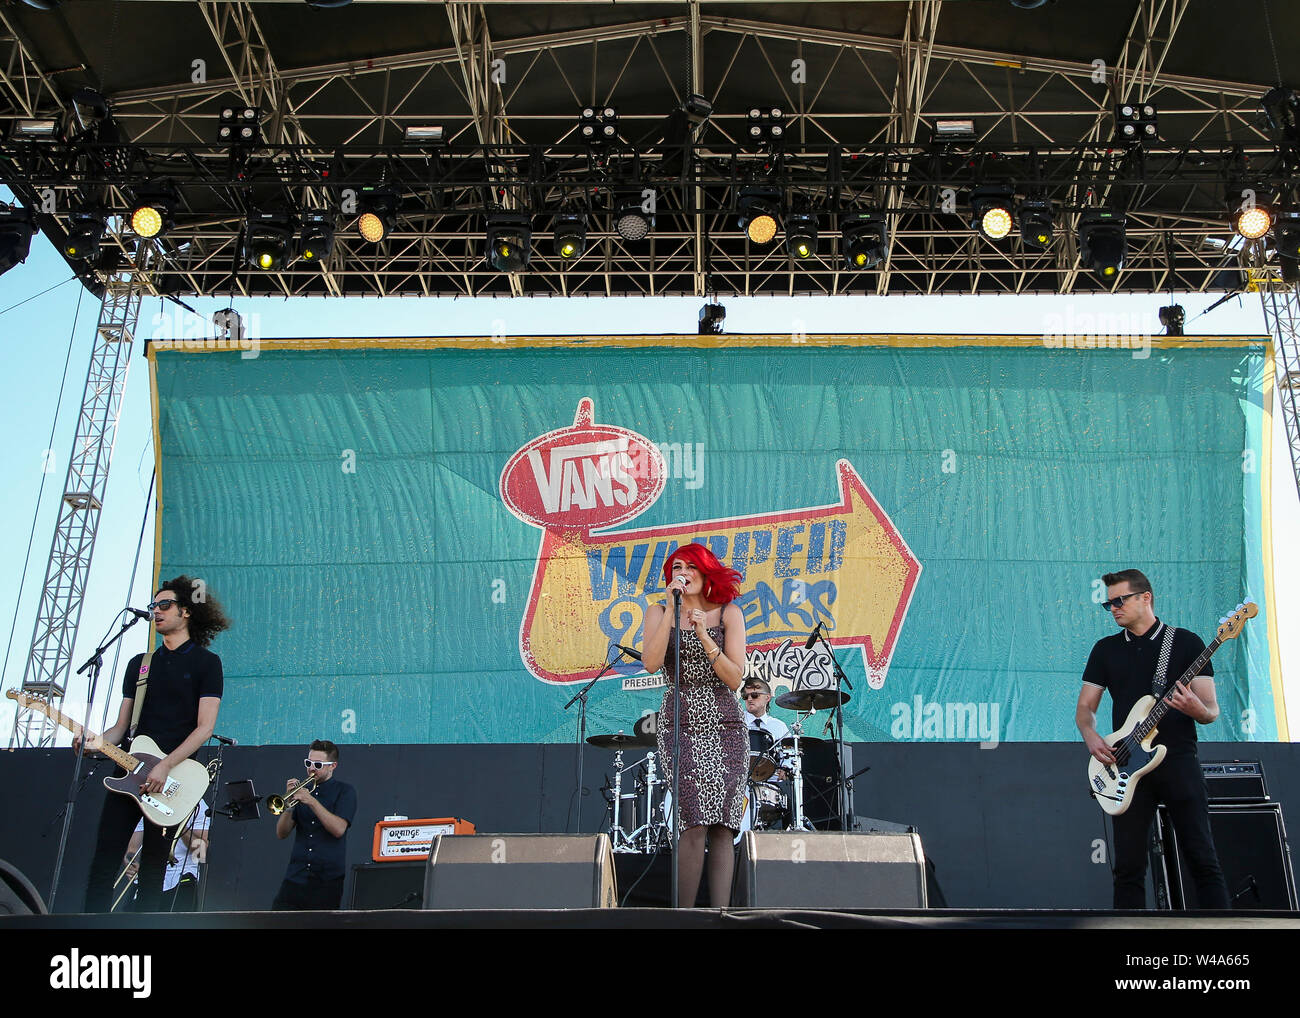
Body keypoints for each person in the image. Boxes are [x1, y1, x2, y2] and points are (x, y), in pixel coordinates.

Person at [1075, 569, 1230, 909]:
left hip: (1177, 761)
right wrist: (1090, 735)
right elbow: (1085, 709)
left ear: (1145, 598)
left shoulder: (1187, 642)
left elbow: (1211, 711)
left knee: (1202, 859)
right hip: (1126, 764)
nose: (1113, 608)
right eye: (1108, 604)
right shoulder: (1105, 650)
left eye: (1119, 600)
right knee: (1128, 868)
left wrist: (1194, 708)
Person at [78, 576, 228, 912]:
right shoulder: (140, 664)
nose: (155, 611)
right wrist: (94, 743)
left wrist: (164, 765)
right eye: (153, 606)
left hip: (171, 777)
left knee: (154, 865)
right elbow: (121, 727)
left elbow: (205, 728)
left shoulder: (207, 663)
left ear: (186, 612)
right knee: (105, 858)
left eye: (164, 605)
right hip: (128, 772)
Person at [641, 543, 747, 908]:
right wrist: (674, 615)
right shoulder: (659, 612)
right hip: (680, 722)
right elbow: (652, 664)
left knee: (723, 826)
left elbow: (735, 680)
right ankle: (683, 917)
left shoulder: (729, 613)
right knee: (694, 820)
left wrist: (703, 634)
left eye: (691, 567)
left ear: (706, 573)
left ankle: (722, 915)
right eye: (677, 567)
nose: (683, 573)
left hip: (727, 725)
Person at [272, 740, 357, 910]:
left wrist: (311, 801)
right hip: (296, 876)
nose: (311, 768)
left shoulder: (345, 791)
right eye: (308, 763)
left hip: (327, 880)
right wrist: (288, 803)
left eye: (318, 764)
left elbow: (339, 829)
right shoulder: (302, 792)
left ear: (333, 766)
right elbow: (281, 833)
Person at [122, 798, 209, 912]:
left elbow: (201, 852)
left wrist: (178, 823)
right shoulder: (151, 799)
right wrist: (131, 862)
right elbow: (133, 848)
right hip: (147, 877)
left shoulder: (198, 805)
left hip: (181, 879)